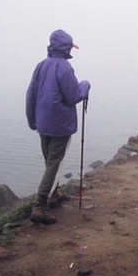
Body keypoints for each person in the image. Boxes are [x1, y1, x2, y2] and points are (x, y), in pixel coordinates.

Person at [26, 29, 91, 225]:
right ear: (66, 48)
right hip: (60, 124)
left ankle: (54, 194)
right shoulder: (64, 67)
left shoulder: (41, 65)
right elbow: (73, 96)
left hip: (42, 122)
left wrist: (32, 119)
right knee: (54, 162)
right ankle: (40, 205)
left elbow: (31, 94)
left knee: (49, 160)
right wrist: (85, 85)